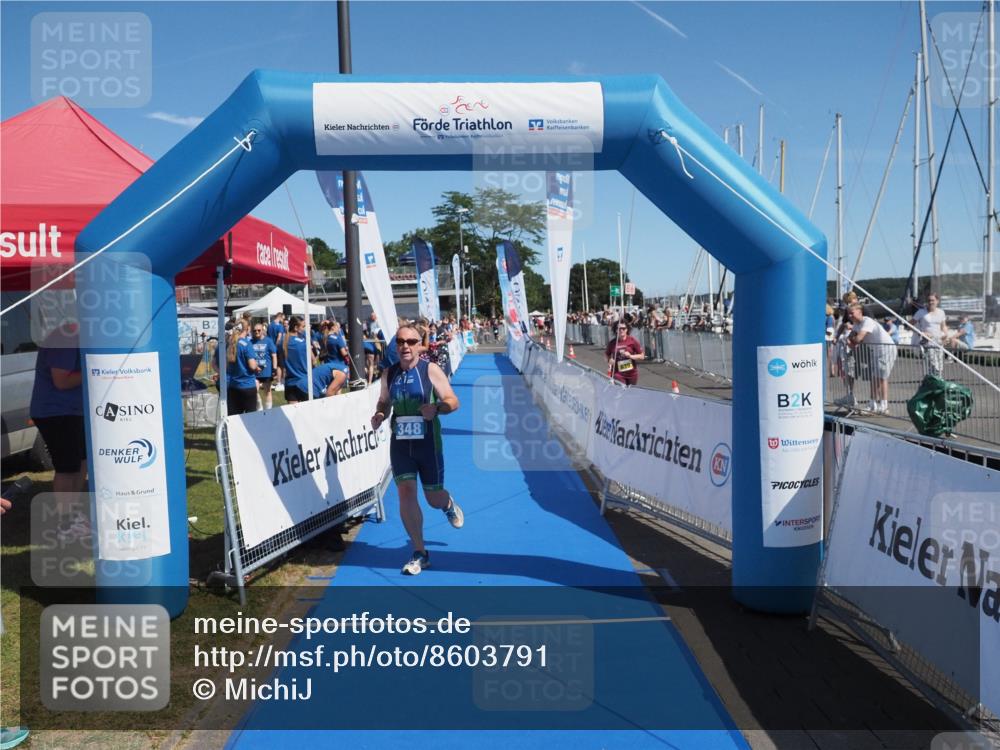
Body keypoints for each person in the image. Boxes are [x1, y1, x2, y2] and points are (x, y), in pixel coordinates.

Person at [370, 324, 463, 575]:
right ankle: (420, 552)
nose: (405, 346)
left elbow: (454, 401)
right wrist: (380, 413)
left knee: (433, 498)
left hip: (428, 443)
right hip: (400, 444)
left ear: (419, 345)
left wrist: (437, 409)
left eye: (411, 341)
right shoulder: (388, 374)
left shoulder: (430, 370)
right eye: (400, 341)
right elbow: (384, 401)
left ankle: (447, 504)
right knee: (406, 493)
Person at [29, 322, 88, 540]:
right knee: (67, 467)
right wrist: (95, 368)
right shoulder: (67, 336)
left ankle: (74, 515)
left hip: (74, 410)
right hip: (56, 412)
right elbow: (61, 381)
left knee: (82, 462)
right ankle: (65, 523)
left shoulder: (81, 335)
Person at [847, 303, 897, 414]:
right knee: (878, 377)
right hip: (876, 351)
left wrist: (852, 338)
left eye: (852, 313)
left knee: (879, 377)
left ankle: (879, 405)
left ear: (860, 312)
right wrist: (852, 339)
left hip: (886, 349)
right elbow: (852, 343)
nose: (850, 316)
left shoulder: (867, 321)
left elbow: (858, 339)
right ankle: (877, 405)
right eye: (848, 313)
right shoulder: (856, 325)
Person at [226, 320, 259, 415]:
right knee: (251, 418)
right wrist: (256, 366)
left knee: (234, 417)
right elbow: (252, 365)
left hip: (233, 385)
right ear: (247, 329)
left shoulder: (230, 344)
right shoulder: (246, 344)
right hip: (247, 385)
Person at [912, 293, 949, 376]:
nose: (931, 302)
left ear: (937, 301)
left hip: (939, 342)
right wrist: (921, 333)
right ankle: (933, 381)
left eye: (933, 300)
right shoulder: (921, 312)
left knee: (940, 366)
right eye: (929, 300)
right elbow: (910, 325)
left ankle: (937, 382)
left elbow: (943, 326)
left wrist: (946, 335)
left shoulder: (941, 312)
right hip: (927, 342)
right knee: (933, 365)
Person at [282, 316, 311, 404]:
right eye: (303, 326)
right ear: (296, 328)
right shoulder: (303, 343)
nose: (305, 328)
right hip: (304, 381)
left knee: (292, 415)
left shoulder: (282, 342)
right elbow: (313, 360)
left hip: (290, 383)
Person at [251, 323, 278, 409]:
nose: (257, 332)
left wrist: (274, 369)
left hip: (266, 371)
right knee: (254, 391)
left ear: (262, 331)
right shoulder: (251, 342)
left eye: (259, 330)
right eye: (254, 331)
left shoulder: (268, 341)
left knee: (267, 391)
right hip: (255, 372)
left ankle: (268, 410)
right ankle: (259, 408)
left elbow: (274, 355)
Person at [267, 312, 286, 391]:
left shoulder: (270, 325)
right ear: (280, 317)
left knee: (273, 365)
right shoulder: (280, 326)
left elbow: (267, 336)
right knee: (280, 366)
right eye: (283, 318)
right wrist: (276, 346)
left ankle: (275, 382)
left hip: (271, 346)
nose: (283, 320)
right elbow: (279, 337)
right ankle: (279, 383)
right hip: (278, 348)